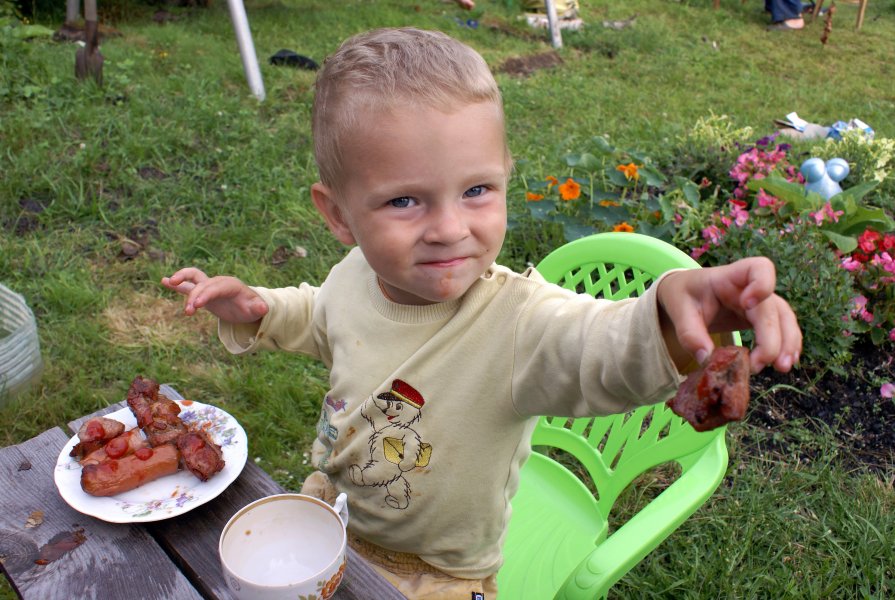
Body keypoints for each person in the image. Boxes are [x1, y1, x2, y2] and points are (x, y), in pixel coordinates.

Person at [162, 27, 802, 599]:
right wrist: (259, 308)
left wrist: (668, 313)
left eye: (476, 191)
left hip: (439, 575)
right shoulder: (355, 275)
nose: (448, 228)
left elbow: (600, 350)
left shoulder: (518, 325)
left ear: (504, 177)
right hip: (334, 511)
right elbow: (322, 314)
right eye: (405, 201)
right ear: (338, 216)